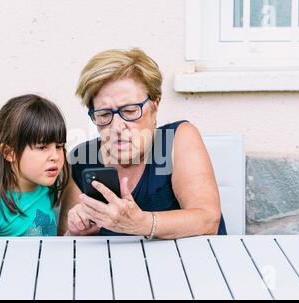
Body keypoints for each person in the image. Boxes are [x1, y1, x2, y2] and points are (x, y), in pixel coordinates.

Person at [59, 48, 226, 239]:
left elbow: (208, 220)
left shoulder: (177, 139)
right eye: (104, 115)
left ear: (155, 107)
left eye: (130, 111)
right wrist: (74, 231)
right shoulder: (82, 160)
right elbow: (66, 244)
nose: (117, 127)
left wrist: (141, 224)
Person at [0, 94, 69, 237]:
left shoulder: (47, 189)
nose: (55, 156)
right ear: (9, 153)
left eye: (59, 146)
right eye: (42, 147)